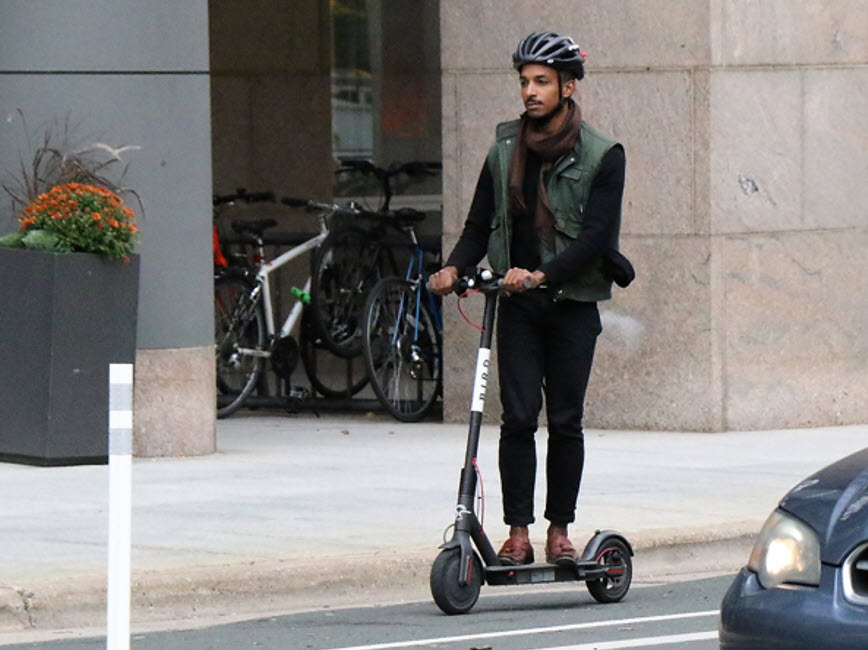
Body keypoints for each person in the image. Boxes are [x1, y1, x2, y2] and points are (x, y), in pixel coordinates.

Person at [429, 31, 626, 566]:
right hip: (514, 305)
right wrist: (453, 268)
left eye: (541, 81)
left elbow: (595, 240)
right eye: (524, 82)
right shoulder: (503, 150)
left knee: (564, 420)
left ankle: (559, 530)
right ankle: (517, 532)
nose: (530, 92)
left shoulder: (603, 155)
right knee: (517, 417)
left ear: (568, 85)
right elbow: (478, 225)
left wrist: (540, 275)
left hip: (570, 304)